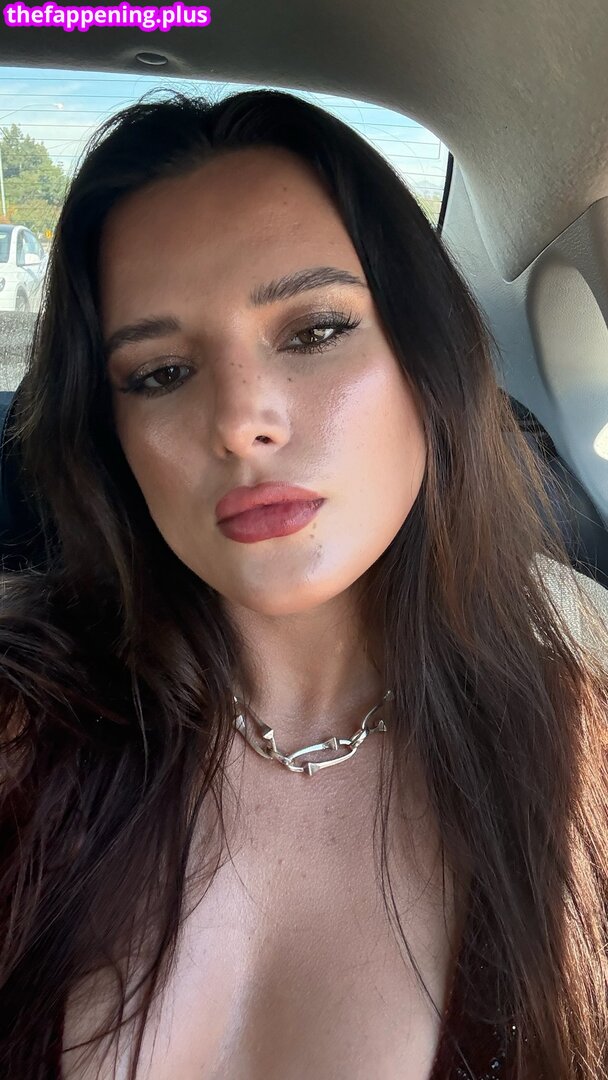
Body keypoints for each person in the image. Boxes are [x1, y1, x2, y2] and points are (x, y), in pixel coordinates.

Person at [0, 89, 607, 1080]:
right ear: (114, 438)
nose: (241, 422)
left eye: (314, 330)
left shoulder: (578, 767)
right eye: (159, 373)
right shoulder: (20, 727)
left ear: (428, 361)